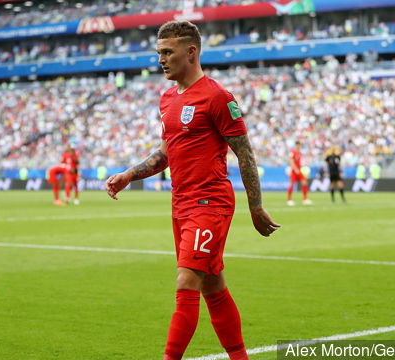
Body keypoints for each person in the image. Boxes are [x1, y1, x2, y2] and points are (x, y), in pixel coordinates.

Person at [105, 20, 280, 360]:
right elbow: (166, 153)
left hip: (210, 204)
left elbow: (244, 152)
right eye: (159, 53)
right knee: (213, 286)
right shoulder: (168, 98)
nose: (161, 60)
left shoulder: (217, 97)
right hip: (181, 205)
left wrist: (255, 207)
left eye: (167, 52)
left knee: (186, 281)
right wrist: (129, 174)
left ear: (191, 52)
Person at [287, 140, 312, 206]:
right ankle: (289, 200)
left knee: (304, 183)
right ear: (297, 145)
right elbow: (291, 161)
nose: (300, 146)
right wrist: (295, 169)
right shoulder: (293, 152)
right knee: (291, 184)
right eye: (299, 144)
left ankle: (305, 199)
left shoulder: (299, 152)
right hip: (294, 170)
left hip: (299, 170)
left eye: (300, 145)